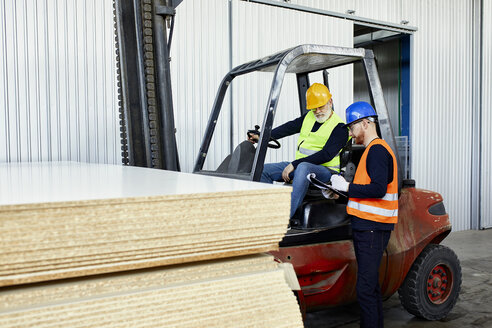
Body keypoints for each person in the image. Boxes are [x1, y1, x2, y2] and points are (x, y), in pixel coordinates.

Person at [329, 101, 398, 328]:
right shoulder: (372, 150)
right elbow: (365, 189)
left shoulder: (377, 150)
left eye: (352, 127)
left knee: (365, 289)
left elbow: (378, 189)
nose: (350, 132)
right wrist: (339, 192)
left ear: (366, 123)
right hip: (368, 226)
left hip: (372, 228)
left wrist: (347, 188)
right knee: (371, 287)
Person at [249, 83, 349, 219]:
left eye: (321, 106)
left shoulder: (340, 128)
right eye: (314, 108)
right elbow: (288, 128)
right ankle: (268, 212)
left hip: (326, 173)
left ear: (330, 102)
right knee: (262, 170)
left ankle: (283, 219)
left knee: (303, 167)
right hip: (303, 167)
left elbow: (326, 155)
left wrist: (294, 164)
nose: (318, 111)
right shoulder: (309, 117)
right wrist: (262, 136)